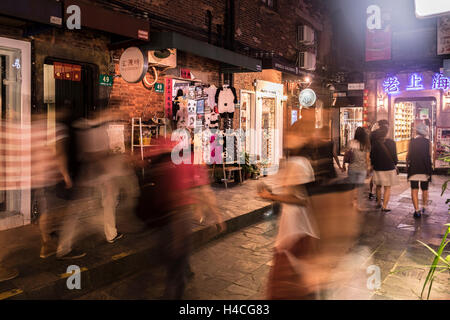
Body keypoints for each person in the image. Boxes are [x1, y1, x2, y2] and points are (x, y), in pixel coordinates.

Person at [407, 123, 432, 218]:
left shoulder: (411, 141)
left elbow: (408, 156)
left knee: (414, 189)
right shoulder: (428, 142)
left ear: (416, 131)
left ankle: (417, 211)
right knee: (425, 189)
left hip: (414, 169)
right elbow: (429, 155)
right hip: (425, 169)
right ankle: (424, 207)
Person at [370, 125, 398, 212]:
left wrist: (373, 165)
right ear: (387, 132)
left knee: (378, 186)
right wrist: (395, 163)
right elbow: (394, 156)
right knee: (387, 188)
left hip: (378, 167)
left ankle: (378, 203)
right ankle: (384, 206)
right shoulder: (392, 142)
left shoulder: (375, 143)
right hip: (389, 167)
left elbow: (372, 156)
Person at [343, 127, 371, 211]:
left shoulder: (351, 142)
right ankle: (358, 205)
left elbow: (346, 154)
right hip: (362, 169)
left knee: (352, 186)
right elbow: (367, 159)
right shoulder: (366, 144)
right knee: (360, 187)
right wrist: (368, 168)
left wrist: (343, 164)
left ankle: (352, 202)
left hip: (352, 168)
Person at [368, 120, 389, 201]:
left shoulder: (372, 133)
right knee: (378, 178)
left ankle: (371, 192)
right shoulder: (380, 133)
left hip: (373, 156)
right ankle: (377, 195)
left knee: (373, 176)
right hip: (378, 156)